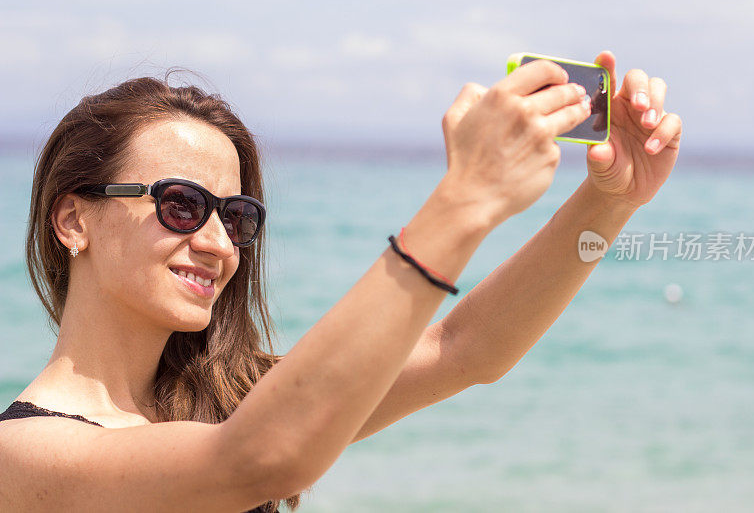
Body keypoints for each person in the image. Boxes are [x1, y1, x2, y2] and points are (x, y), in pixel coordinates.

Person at [0, 50, 681, 512]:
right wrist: (465, 199)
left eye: (235, 216)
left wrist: (609, 203)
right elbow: (259, 460)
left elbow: (466, 348)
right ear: (72, 219)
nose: (216, 242)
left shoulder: (231, 399)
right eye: (181, 204)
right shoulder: (25, 454)